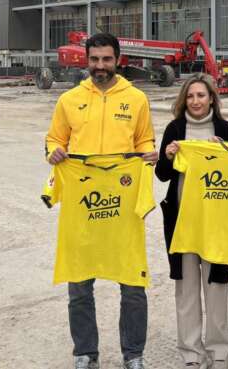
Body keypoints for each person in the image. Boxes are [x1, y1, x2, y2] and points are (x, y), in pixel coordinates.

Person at [45, 32, 157, 369]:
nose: (100, 66)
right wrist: (55, 152)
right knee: (79, 285)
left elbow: (144, 139)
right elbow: (53, 139)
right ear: (86, 60)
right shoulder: (69, 100)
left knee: (133, 284)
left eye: (106, 59)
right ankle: (85, 352)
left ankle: (133, 354)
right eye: (94, 60)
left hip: (123, 203)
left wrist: (147, 155)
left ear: (118, 60)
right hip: (84, 206)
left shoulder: (136, 99)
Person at [156, 73, 228, 369]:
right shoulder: (175, 129)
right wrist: (166, 155)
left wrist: (226, 152)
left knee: (216, 288)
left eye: (201, 95)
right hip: (182, 223)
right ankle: (191, 355)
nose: (195, 101)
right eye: (190, 96)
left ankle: (219, 353)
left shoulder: (227, 130)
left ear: (212, 99)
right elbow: (163, 174)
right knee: (186, 290)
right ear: (184, 100)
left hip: (216, 224)